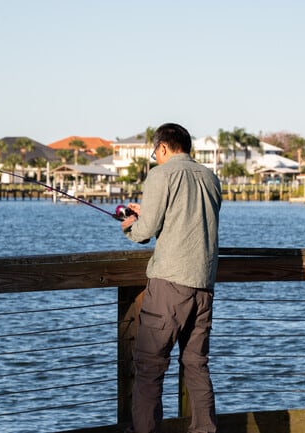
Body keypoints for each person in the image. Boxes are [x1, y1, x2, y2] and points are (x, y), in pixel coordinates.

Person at [120, 123, 221, 433]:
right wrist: (149, 211)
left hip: (169, 284)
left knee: (150, 365)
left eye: (155, 153)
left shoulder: (161, 174)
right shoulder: (209, 177)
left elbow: (144, 231)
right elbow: (186, 219)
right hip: (203, 284)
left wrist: (130, 226)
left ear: (162, 148)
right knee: (196, 363)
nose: (156, 158)